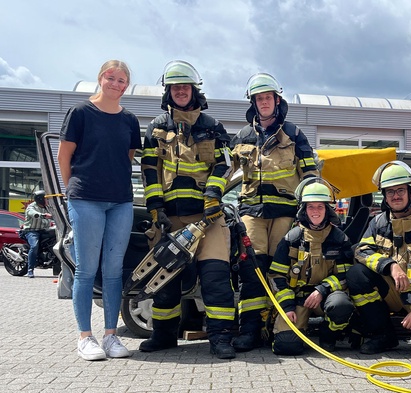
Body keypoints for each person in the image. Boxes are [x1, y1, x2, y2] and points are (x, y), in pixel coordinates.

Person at [139, 60, 236, 359]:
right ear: (168, 92)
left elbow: (225, 164)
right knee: (165, 280)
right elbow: (149, 169)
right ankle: (164, 336)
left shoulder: (212, 127)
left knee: (216, 277)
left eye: (185, 86)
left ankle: (220, 339)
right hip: (171, 217)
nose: (181, 91)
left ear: (195, 90)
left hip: (209, 217)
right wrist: (156, 208)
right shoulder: (156, 127)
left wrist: (212, 195)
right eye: (175, 87)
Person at [58, 60, 141, 361]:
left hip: (120, 200)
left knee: (114, 270)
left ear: (126, 85)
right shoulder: (80, 113)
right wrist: (73, 192)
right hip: (86, 198)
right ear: (100, 78)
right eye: (111, 78)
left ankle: (110, 337)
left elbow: (126, 157)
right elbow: (64, 155)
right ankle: (85, 337)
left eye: (122, 80)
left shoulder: (130, 120)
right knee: (86, 268)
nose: (116, 84)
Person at [230, 72, 318, 352]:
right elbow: (226, 173)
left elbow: (310, 174)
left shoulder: (294, 134)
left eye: (268, 97)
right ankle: (250, 330)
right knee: (252, 269)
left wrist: (310, 205)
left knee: (278, 269)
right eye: (259, 98)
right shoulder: (242, 137)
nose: (264, 102)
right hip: (251, 212)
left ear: (276, 101)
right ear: (253, 103)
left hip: (284, 212)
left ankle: (277, 327)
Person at [346, 161, 411, 360]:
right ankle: (382, 334)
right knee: (357, 274)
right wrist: (390, 266)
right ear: (384, 196)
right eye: (390, 192)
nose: (396, 196)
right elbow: (362, 250)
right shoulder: (378, 223)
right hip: (393, 291)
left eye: (401, 190)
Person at [266, 178, 354, 355]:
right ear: (303, 210)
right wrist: (288, 307)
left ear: (327, 210)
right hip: (297, 299)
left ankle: (328, 335)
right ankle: (297, 330)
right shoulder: (291, 239)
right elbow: (276, 277)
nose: (315, 211)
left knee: (341, 305)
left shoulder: (339, 239)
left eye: (320, 206)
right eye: (310, 207)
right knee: (287, 346)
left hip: (326, 298)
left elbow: (345, 276)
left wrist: (322, 290)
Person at [22, 190, 54, 278]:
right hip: (32, 231)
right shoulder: (31, 207)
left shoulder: (48, 207)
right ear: (40, 199)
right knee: (34, 246)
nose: (48, 201)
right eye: (46, 199)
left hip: (44, 230)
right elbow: (33, 214)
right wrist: (43, 215)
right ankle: (30, 270)